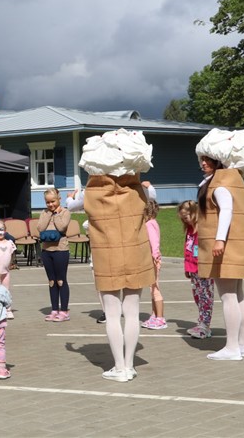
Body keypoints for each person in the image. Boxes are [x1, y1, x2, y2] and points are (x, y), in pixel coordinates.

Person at [71, 129, 155, 383]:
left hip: (107, 255)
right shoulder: (140, 192)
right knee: (132, 311)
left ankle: (119, 367)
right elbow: (152, 194)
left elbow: (70, 205)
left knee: (112, 313)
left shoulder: (91, 194)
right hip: (136, 252)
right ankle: (129, 364)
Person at [195, 128, 244, 361]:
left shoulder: (221, 183)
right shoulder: (235, 181)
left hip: (224, 247)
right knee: (238, 295)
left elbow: (226, 211)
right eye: (202, 159)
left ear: (219, 161)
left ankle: (232, 347)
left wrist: (219, 239)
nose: (203, 163)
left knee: (228, 296)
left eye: (208, 159)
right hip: (236, 245)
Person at [178, 200, 214, 339]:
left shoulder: (202, 230)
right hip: (193, 269)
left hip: (203, 268)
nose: (184, 220)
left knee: (205, 296)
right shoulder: (189, 230)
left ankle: (205, 325)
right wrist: (187, 267)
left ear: (194, 213)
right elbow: (187, 249)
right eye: (182, 218)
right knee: (198, 296)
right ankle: (201, 322)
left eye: (186, 217)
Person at [35, 187, 71, 322]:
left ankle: (64, 311)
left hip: (60, 249)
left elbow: (62, 227)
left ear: (59, 199)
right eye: (48, 202)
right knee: (51, 281)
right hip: (46, 250)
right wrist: (48, 214)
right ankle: (54, 309)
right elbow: (40, 228)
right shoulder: (44, 213)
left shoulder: (65, 212)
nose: (50, 205)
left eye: (53, 201)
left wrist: (56, 214)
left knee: (61, 280)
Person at [141, 200, 167, 330]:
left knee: (155, 289)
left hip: (153, 260)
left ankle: (160, 318)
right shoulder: (152, 223)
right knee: (152, 289)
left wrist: (155, 255)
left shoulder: (149, 224)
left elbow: (154, 241)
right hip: (151, 260)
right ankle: (154, 315)